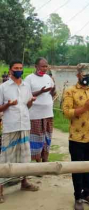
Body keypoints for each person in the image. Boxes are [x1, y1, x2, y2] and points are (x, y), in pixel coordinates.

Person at [62, 63, 89, 210]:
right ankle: (78, 197)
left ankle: (87, 194)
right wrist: (84, 108)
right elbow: (66, 113)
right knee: (78, 168)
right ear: (78, 75)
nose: (87, 77)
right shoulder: (70, 91)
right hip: (77, 138)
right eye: (85, 74)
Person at [0, 60, 38, 204]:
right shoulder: (3, 87)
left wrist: (31, 101)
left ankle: (24, 182)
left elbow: (26, 105)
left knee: (24, 155)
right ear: (10, 70)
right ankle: (0, 189)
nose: (19, 70)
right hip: (10, 126)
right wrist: (8, 104)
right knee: (5, 157)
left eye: (21, 68)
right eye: (16, 68)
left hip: (24, 125)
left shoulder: (26, 86)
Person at [24, 58, 56, 163]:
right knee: (37, 138)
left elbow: (52, 93)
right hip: (35, 115)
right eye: (42, 66)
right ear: (36, 66)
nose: (45, 68)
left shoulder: (48, 77)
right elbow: (25, 95)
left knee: (47, 137)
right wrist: (41, 91)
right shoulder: (29, 79)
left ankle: (45, 159)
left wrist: (52, 91)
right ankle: (37, 162)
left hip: (48, 113)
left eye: (46, 66)